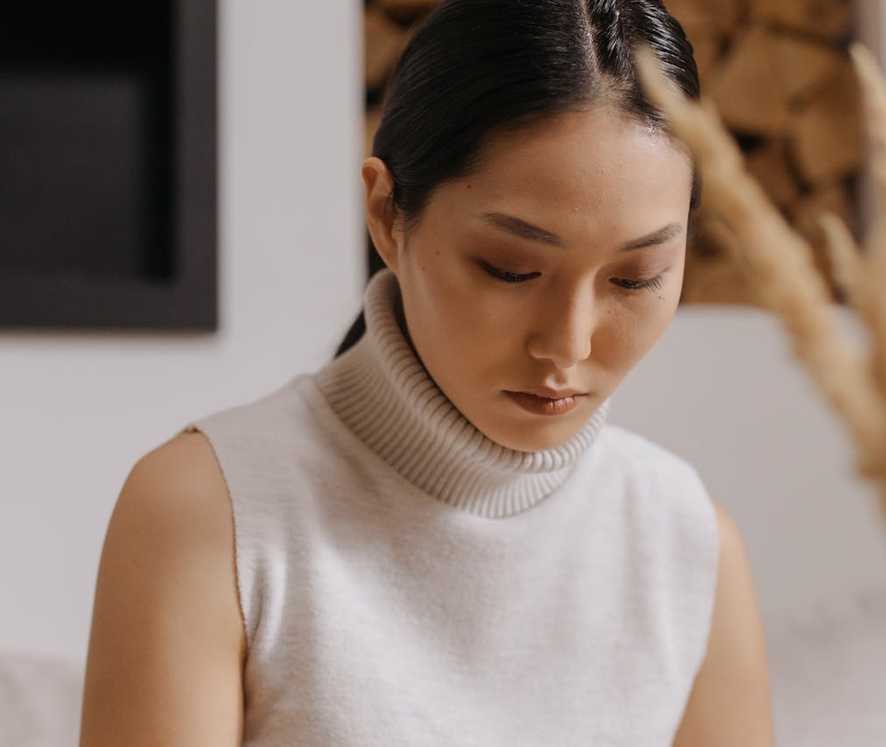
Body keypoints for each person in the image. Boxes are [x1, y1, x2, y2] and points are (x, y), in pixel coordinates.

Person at [79, 1, 774, 744]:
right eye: (511, 268)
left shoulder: (686, 543)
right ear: (386, 212)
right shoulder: (208, 512)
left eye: (635, 278)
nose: (567, 345)